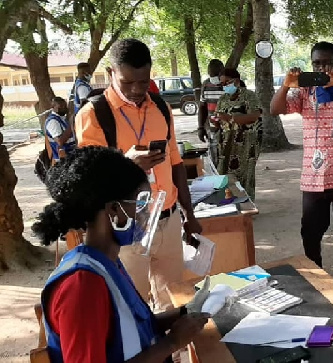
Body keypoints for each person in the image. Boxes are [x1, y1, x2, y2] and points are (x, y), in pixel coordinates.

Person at [33, 147, 212, 363]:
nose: (146, 213)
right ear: (115, 211)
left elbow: (133, 327)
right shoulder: (82, 285)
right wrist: (172, 343)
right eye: (142, 203)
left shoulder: (105, 261)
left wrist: (186, 313)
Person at [76, 38, 203, 311]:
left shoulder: (160, 107)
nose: (136, 90)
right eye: (127, 82)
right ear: (111, 74)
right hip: (127, 227)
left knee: (173, 304)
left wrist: (189, 215)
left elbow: (176, 164)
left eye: (143, 82)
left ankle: (174, 353)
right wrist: (125, 162)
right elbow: (88, 178)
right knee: (131, 306)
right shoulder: (94, 114)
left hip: (168, 221)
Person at [270, 41, 333, 287]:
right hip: (313, 178)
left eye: (327, 62)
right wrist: (287, 84)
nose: (322, 67)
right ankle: (317, 282)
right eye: (317, 63)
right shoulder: (305, 92)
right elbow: (275, 109)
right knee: (310, 233)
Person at [214, 68, 262, 199]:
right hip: (226, 141)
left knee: (245, 174)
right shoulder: (223, 99)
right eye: (222, 84)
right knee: (223, 172)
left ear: (236, 81)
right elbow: (218, 117)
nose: (224, 86)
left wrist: (230, 118)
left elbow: (255, 116)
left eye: (226, 83)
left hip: (246, 142)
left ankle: (246, 205)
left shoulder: (249, 96)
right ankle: (228, 203)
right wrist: (215, 122)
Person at [198, 59, 226, 165]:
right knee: (215, 162)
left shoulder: (228, 84)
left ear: (221, 72)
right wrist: (201, 128)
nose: (213, 79)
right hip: (212, 130)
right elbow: (202, 107)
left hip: (229, 130)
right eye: (211, 75)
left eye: (215, 75)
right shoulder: (206, 84)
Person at [45, 96, 76, 163]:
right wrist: (71, 125)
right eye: (60, 107)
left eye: (65, 106)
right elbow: (59, 141)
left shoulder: (63, 119)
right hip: (63, 159)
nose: (64, 108)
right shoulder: (53, 121)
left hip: (72, 154)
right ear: (53, 108)